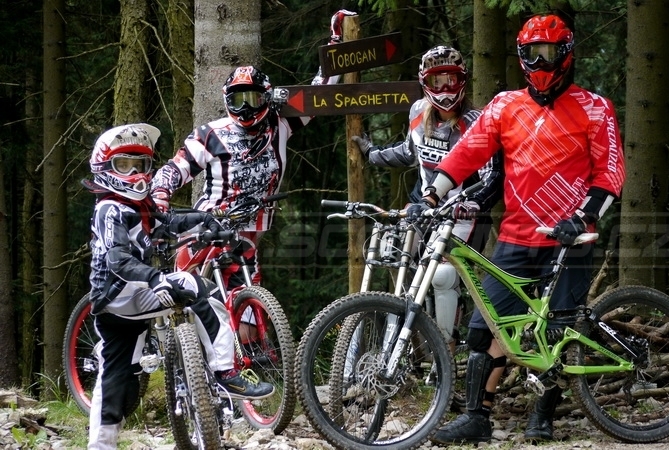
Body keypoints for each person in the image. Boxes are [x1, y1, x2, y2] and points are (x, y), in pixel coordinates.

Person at [416, 14, 626, 444]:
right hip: (515, 237)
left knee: (557, 330)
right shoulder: (504, 106)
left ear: (566, 54)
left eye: (548, 52)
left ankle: (543, 416)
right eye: (532, 53)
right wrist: (433, 194)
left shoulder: (595, 107)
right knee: (484, 330)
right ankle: (477, 418)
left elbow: (611, 173)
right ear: (520, 56)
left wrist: (583, 217)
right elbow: (467, 153)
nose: (540, 61)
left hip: (569, 238)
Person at [85, 123, 274, 450]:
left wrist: (205, 220)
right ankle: (226, 373)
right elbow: (118, 259)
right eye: (124, 165)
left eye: (141, 164)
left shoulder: (136, 206)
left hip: (116, 304)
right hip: (123, 293)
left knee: (119, 381)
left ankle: (100, 446)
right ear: (105, 168)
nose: (135, 173)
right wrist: (155, 278)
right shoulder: (111, 209)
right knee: (198, 288)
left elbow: (169, 222)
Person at [151, 9, 356, 289]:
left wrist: (336, 42)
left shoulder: (280, 125)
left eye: (253, 98)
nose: (246, 107)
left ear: (267, 97)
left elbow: (318, 95)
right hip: (206, 227)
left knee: (248, 303)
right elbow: (175, 169)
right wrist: (160, 195)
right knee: (185, 294)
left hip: (247, 232)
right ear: (227, 101)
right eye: (238, 100)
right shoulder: (211, 133)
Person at [351, 45, 503, 351]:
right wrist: (373, 154)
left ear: (463, 80)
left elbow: (494, 175)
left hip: (464, 216)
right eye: (437, 81)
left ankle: (445, 349)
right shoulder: (418, 111)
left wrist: (474, 204)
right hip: (424, 209)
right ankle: (411, 344)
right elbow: (411, 152)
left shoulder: (478, 121)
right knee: (395, 256)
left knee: (443, 276)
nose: (445, 89)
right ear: (424, 82)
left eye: (451, 79)